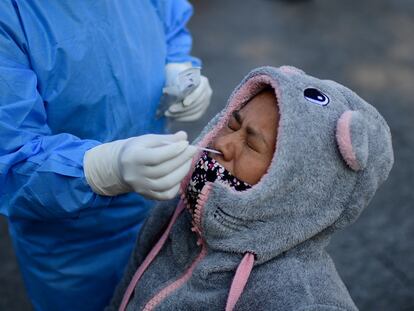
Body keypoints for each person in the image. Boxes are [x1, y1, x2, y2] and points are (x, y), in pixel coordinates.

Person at [107, 65, 394, 311]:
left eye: (252, 144)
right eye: (232, 124)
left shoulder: (302, 300)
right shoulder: (174, 213)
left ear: (294, 187)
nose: (222, 144)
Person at [0, 1, 212, 310]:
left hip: (153, 211)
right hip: (69, 245)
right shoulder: (12, 15)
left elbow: (168, 17)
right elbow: (10, 156)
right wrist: (98, 169)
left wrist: (178, 65)